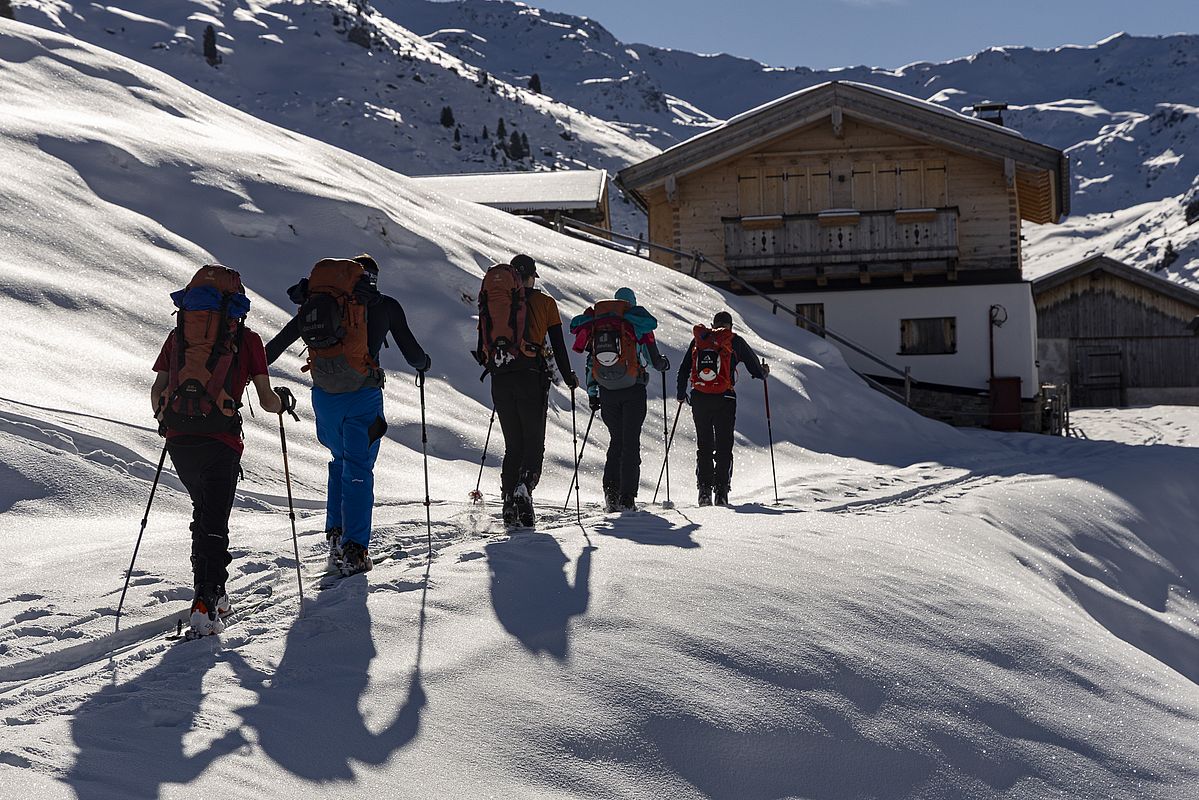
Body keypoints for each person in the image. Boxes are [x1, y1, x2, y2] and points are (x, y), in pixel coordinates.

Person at [151, 264, 294, 637]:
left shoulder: (177, 337)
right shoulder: (248, 341)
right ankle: (207, 599)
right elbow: (266, 402)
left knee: (204, 513)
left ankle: (212, 591)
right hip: (222, 441)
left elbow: (157, 391)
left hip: (181, 440)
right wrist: (284, 401)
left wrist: (166, 418)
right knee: (215, 521)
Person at [265, 254, 431, 576]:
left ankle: (336, 535)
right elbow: (413, 354)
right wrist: (424, 364)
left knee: (340, 461)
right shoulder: (384, 306)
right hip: (362, 398)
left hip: (324, 398)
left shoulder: (321, 304)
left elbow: (277, 346)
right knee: (358, 468)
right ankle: (355, 549)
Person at [478, 254, 578, 528]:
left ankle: (508, 503)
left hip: (501, 378)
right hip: (531, 379)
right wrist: (569, 377)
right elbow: (558, 345)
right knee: (533, 443)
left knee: (513, 445)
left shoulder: (496, 302)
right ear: (532, 276)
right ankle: (524, 487)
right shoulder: (546, 303)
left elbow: (482, 345)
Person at [569, 287, 669, 512]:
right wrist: (663, 363)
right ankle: (627, 498)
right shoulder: (636, 324)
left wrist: (593, 394)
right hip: (633, 390)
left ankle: (610, 493)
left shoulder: (601, 325)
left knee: (616, 441)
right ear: (631, 304)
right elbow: (653, 359)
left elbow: (590, 364)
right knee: (630, 442)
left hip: (607, 392)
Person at [676, 310, 768, 507]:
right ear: (730, 326)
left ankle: (704, 492)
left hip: (700, 398)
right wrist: (763, 373)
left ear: (713, 324)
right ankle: (722, 493)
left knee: (705, 445)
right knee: (724, 446)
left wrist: (680, 393)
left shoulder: (700, 340)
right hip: (725, 399)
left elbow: (684, 368)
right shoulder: (734, 341)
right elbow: (755, 368)